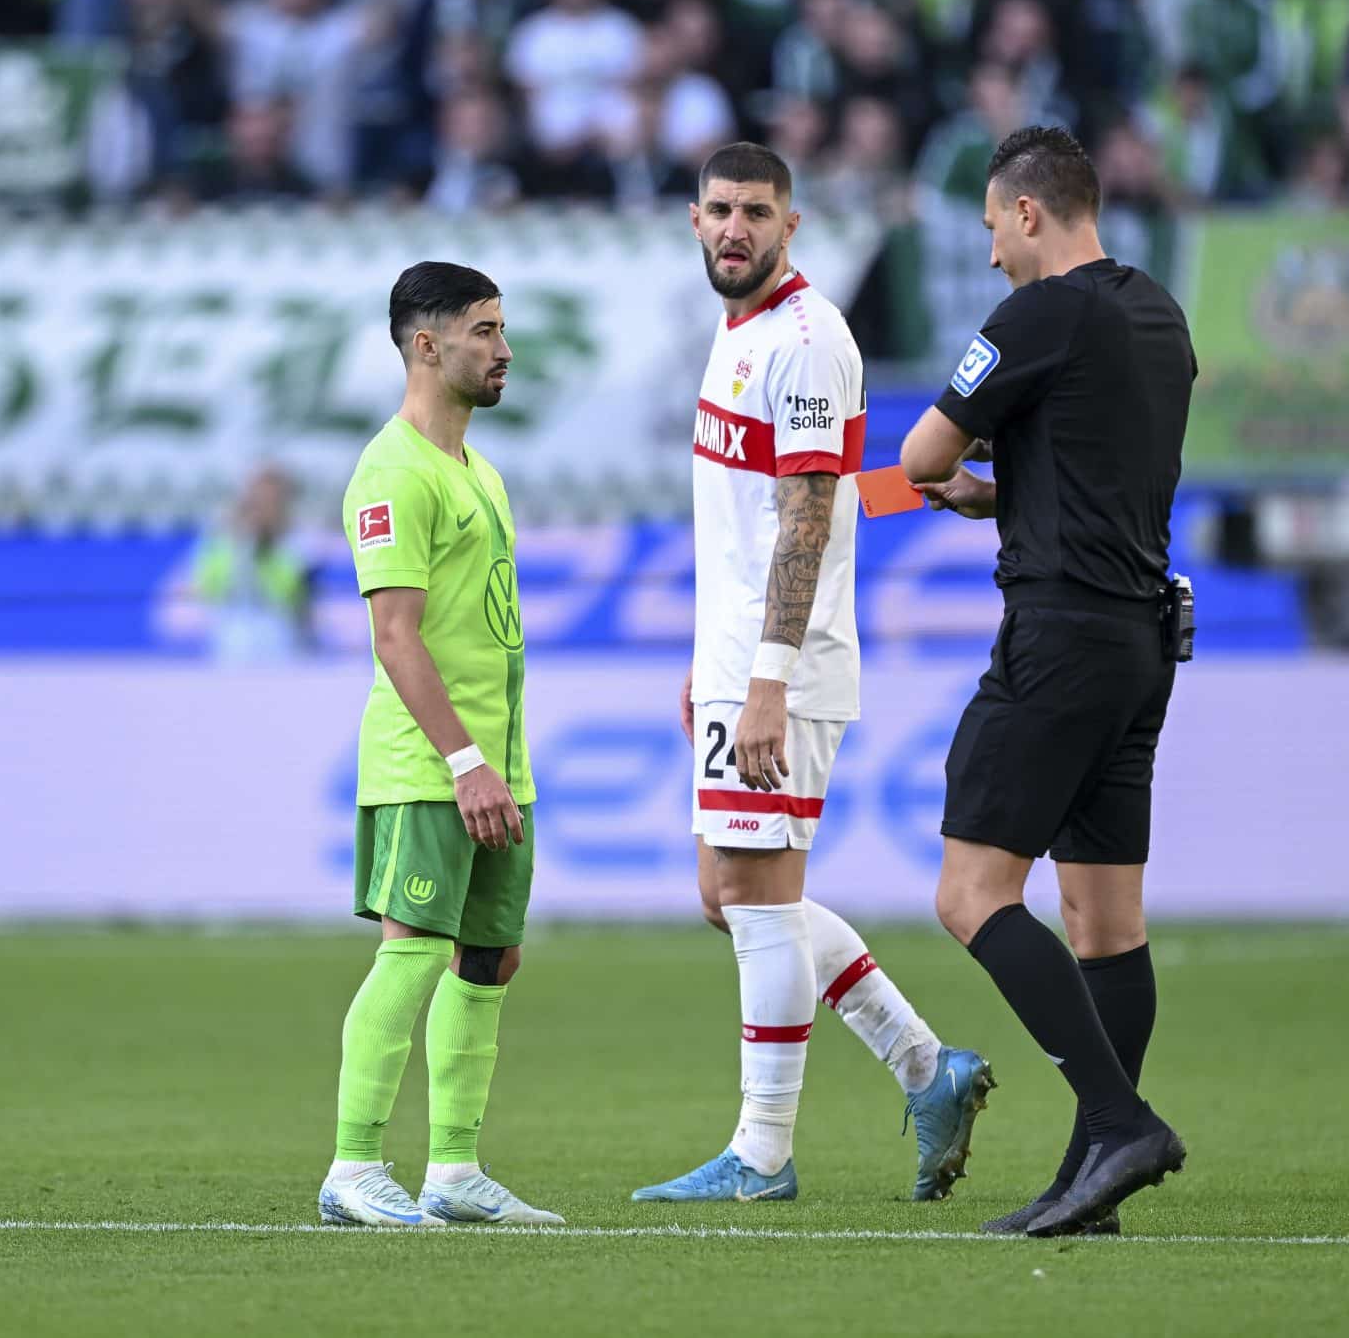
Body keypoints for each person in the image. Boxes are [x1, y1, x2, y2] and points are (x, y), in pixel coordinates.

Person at [631, 142, 995, 1207]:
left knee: (754, 899)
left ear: (791, 225)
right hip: (735, 661)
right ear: (693, 222)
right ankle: (930, 1071)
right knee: (727, 895)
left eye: (755, 211)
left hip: (781, 668)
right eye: (718, 210)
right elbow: (815, 492)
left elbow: (799, 523)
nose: (734, 228)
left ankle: (762, 1153)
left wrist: (764, 681)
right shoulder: (738, 327)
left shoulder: (802, 339)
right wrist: (712, 670)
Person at [901, 125, 1196, 1239]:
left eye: (989, 228)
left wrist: (965, 481)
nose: (987, 256)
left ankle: (1117, 1123)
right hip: (1139, 641)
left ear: (1028, 212)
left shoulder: (1036, 311)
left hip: (1058, 637)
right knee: (1104, 921)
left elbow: (924, 456)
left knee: (968, 895)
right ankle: (1092, 1184)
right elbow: (1094, 454)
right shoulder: (1159, 312)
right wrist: (1009, 493)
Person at [317, 262, 561, 1230]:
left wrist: (495, 766)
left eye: (502, 330)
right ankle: (351, 1165)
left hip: (498, 766)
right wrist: (463, 763)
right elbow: (394, 635)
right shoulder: (391, 470)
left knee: (487, 961)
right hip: (432, 766)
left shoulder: (477, 469)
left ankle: (453, 1170)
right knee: (412, 951)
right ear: (427, 345)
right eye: (484, 331)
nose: (504, 350)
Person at [187, 465, 312, 664]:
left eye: (272, 500)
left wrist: (265, 551)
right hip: (231, 627)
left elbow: (291, 592)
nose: (264, 508)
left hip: (277, 628)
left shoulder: (295, 540)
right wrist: (240, 545)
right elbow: (208, 586)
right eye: (259, 500)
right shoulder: (223, 538)